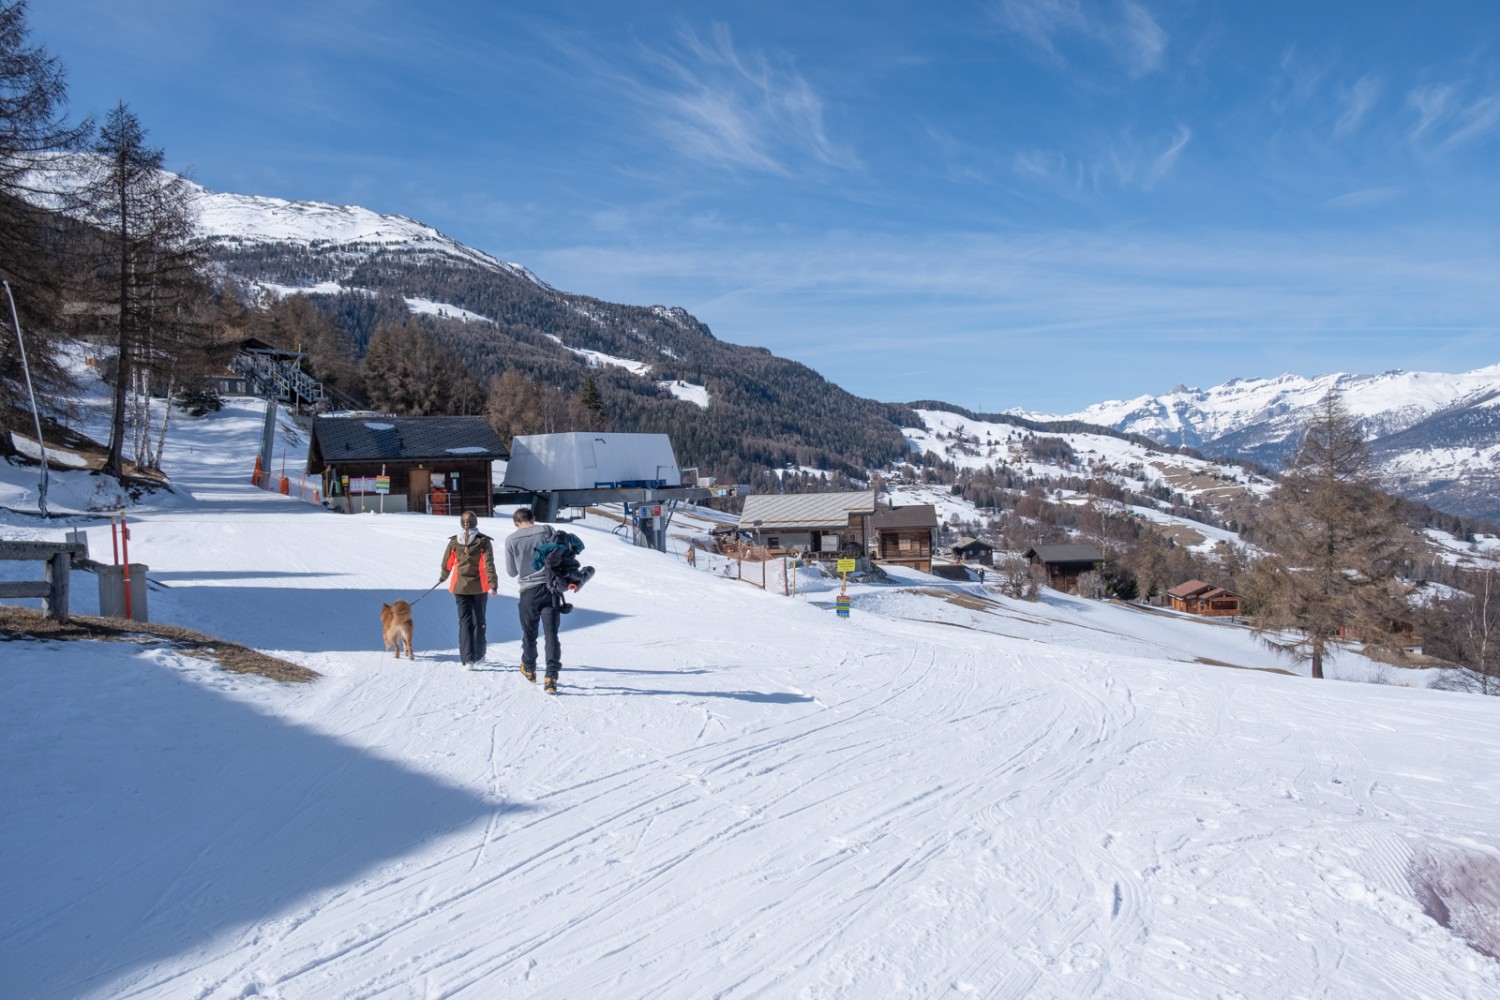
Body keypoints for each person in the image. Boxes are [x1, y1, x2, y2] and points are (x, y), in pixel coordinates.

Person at [504, 506, 565, 693]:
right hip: (550, 588)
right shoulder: (546, 531)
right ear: (534, 518)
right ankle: (551, 677)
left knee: (529, 634)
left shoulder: (511, 540)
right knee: (551, 635)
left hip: (528, 592)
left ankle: (529, 669)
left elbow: (512, 571)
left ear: (516, 523)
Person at [439, 510, 497, 667]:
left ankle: (467, 659)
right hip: (479, 587)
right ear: (475, 523)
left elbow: (447, 564)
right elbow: (488, 564)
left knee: (464, 622)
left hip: (459, 588)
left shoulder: (454, 542)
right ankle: (479, 655)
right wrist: (493, 583)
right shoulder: (483, 541)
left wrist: (443, 577)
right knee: (479, 620)